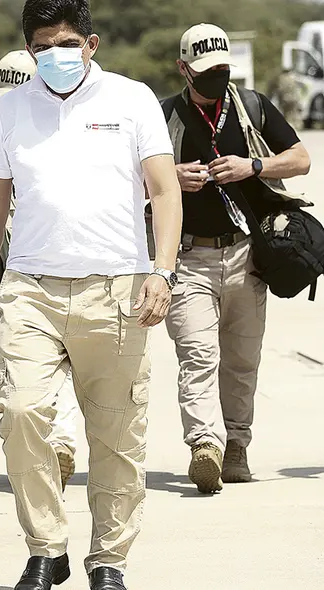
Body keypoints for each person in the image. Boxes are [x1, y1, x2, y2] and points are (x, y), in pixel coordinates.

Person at [0, 1, 183, 589]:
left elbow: (165, 192)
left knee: (116, 434)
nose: (55, 56)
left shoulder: (131, 99)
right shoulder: (9, 109)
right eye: (43, 46)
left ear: (90, 45)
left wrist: (160, 273)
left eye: (66, 43)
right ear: (30, 50)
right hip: (30, 288)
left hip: (117, 287)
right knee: (19, 414)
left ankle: (109, 559)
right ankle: (47, 546)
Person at [162, 23, 311, 495]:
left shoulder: (251, 107)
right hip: (188, 256)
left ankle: (237, 446)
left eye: (223, 70)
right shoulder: (164, 115)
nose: (216, 78)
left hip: (246, 254)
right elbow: (128, 180)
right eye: (205, 71)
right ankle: (204, 444)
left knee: (242, 361)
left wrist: (255, 166)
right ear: (183, 69)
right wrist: (168, 179)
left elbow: (301, 158)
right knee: (198, 356)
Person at [0, 48, 81, 490]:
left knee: (49, 370)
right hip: (5, 276)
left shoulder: (61, 133)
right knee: (22, 375)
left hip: (47, 271)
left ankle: (59, 443)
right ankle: (50, 443)